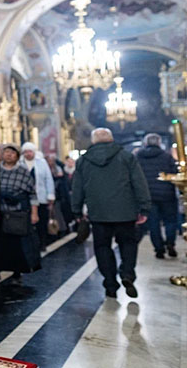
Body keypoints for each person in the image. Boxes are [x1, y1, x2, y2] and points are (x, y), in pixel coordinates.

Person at [72, 128, 151, 299]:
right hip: (126, 211)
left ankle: (110, 284)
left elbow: (77, 188)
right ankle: (127, 274)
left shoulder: (84, 161)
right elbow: (139, 183)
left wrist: (77, 210)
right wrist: (144, 207)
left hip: (98, 212)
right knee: (128, 244)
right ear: (111, 139)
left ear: (93, 141)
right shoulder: (126, 157)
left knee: (102, 247)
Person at [0, 144, 41, 285]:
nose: (8, 155)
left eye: (12, 153)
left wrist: (34, 213)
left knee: (17, 245)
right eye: (6, 152)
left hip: (17, 213)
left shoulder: (23, 171)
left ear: (18, 156)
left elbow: (32, 193)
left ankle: (17, 272)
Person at [135, 133, 179, 259]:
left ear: (145, 143)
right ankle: (170, 242)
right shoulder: (166, 156)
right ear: (159, 143)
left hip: (148, 195)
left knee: (153, 223)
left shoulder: (139, 157)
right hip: (167, 194)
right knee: (170, 221)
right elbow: (174, 173)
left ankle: (159, 248)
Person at [20, 142, 56, 250]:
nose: (28, 154)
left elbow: (48, 179)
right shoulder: (20, 163)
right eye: (25, 152)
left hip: (41, 197)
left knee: (42, 221)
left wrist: (50, 195)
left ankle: (42, 242)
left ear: (34, 152)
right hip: (26, 198)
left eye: (30, 151)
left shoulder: (42, 162)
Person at [46, 153, 72, 233]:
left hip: (59, 197)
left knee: (58, 214)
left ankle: (60, 229)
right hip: (53, 195)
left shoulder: (59, 170)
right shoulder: (48, 170)